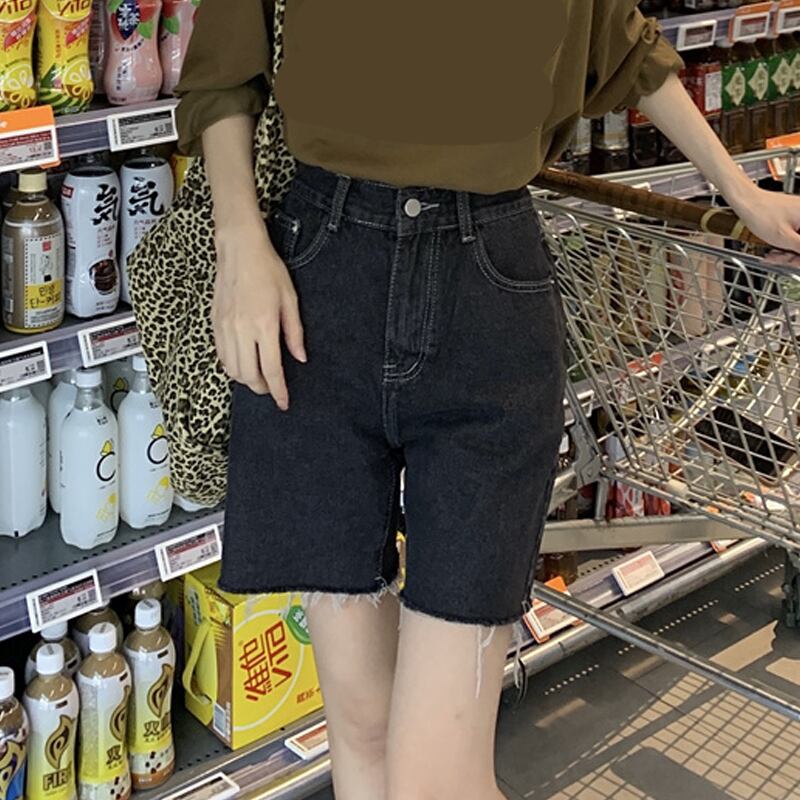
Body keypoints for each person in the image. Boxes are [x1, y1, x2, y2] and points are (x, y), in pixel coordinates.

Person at [175, 2, 800, 798]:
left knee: (435, 776)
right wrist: (237, 243)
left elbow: (625, 44)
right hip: (314, 292)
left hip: (487, 293)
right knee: (361, 736)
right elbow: (225, 63)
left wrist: (741, 190)